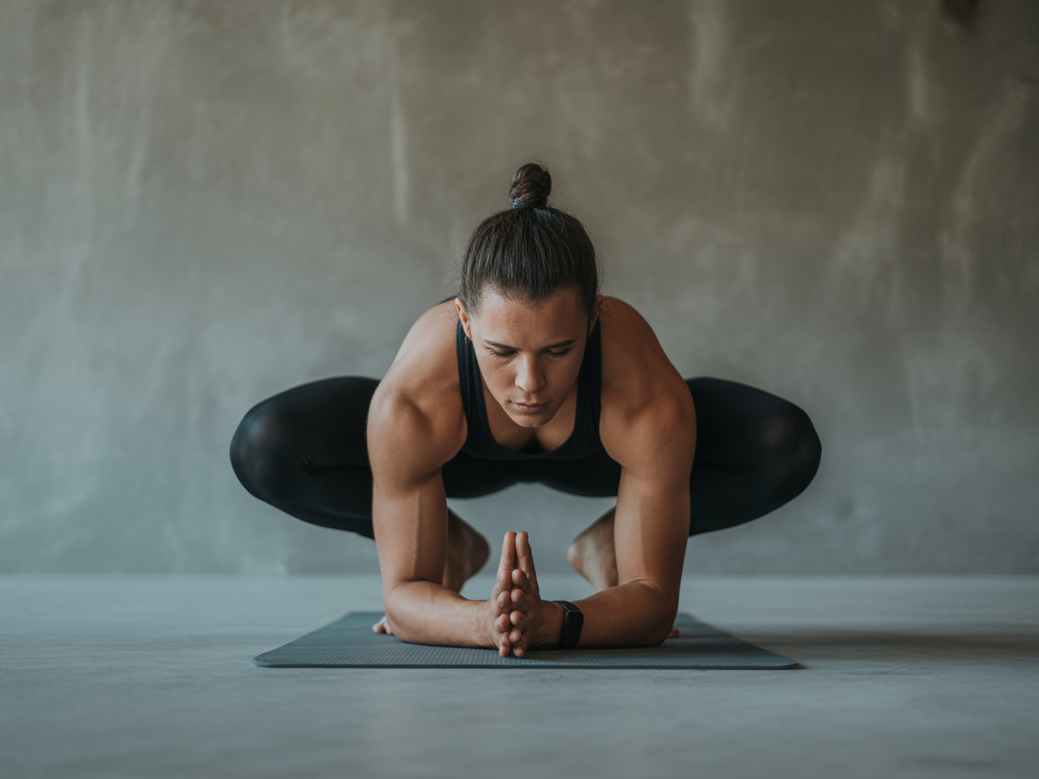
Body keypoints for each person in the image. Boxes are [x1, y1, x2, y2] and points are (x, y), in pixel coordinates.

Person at [230, 163, 821, 657]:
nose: (530, 383)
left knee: (783, 442)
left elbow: (653, 606)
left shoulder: (642, 389)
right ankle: (448, 545)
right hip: (457, 456)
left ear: (594, 318)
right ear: (465, 322)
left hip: (599, 454)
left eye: (558, 350)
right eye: (502, 352)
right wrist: (484, 622)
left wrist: (554, 621)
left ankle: (611, 544)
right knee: (265, 443)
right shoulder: (415, 397)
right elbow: (403, 601)